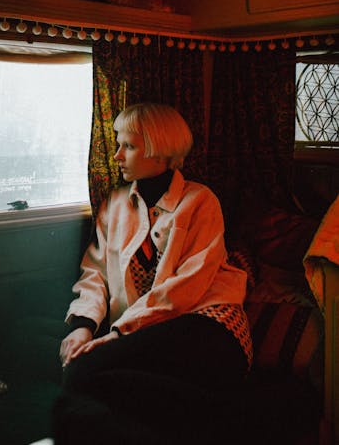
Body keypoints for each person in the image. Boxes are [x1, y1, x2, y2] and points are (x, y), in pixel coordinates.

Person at [53, 102, 252, 445]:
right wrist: (84, 327)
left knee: (83, 374)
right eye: (118, 144)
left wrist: (118, 335)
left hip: (207, 325)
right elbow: (95, 274)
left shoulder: (200, 201)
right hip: (145, 330)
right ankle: (207, 417)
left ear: (161, 151)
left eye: (128, 146)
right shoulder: (114, 205)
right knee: (80, 373)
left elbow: (184, 290)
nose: (116, 155)